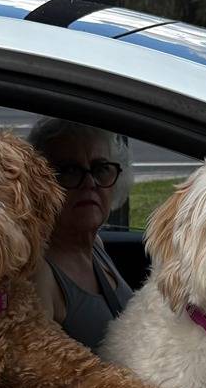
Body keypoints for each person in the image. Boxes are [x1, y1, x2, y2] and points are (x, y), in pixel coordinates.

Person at [26, 118, 135, 350]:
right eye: (69, 171)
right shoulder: (38, 273)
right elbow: (35, 376)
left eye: (101, 169)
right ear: (42, 185)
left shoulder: (95, 244)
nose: (90, 183)